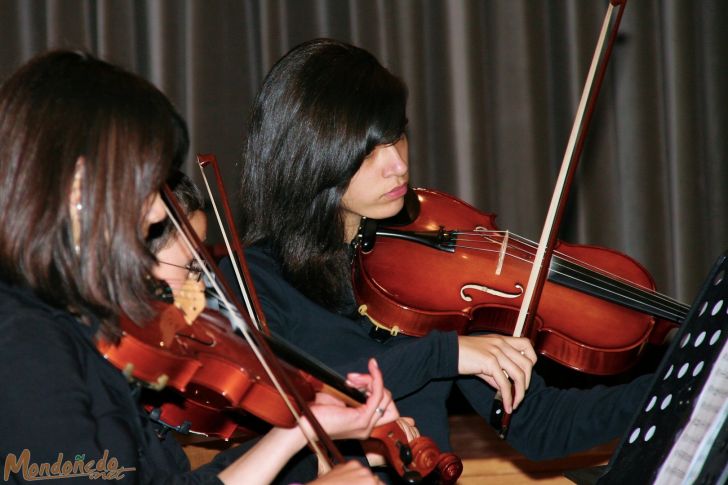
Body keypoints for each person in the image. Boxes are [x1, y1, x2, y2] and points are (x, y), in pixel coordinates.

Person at [221, 38, 653, 479]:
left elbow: (541, 425)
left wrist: (674, 387)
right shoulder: (256, 280)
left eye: (397, 136)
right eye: (370, 150)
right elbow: (317, 396)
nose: (398, 165)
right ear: (311, 156)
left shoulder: (432, 275)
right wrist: (445, 354)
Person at [0, 49, 396, 485]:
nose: (155, 214)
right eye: (146, 187)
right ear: (79, 186)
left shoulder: (79, 330)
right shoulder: (26, 346)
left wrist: (296, 432)